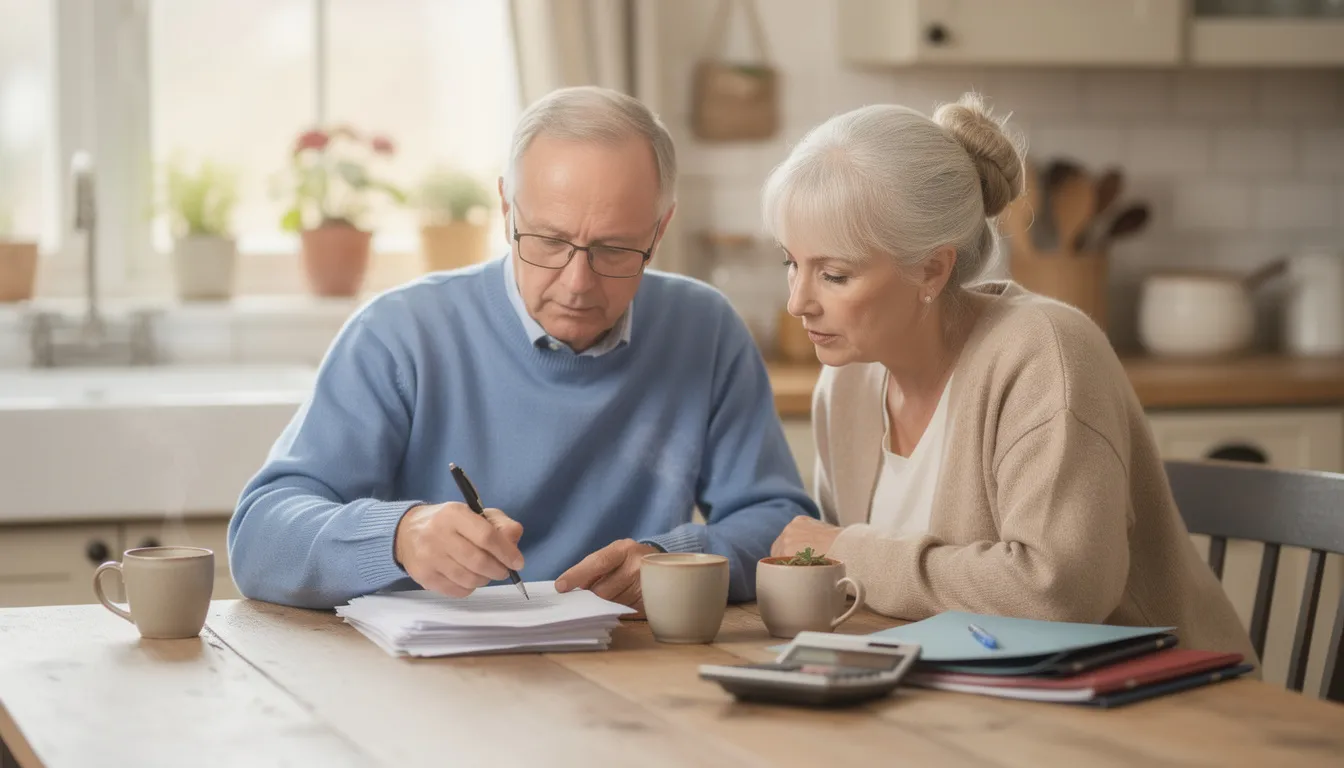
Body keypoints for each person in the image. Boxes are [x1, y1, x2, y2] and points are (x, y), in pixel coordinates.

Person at [229, 85, 817, 610]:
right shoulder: (399, 333)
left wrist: (674, 558)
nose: (577, 283)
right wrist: (398, 537)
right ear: (507, 208)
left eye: (614, 249)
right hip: (431, 685)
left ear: (660, 230)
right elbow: (259, 538)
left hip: (632, 674)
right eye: (549, 241)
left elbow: (785, 530)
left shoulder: (704, 328)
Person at [762, 93, 1255, 659]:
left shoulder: (1045, 353)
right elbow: (859, 591)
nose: (798, 302)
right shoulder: (846, 383)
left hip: (1156, 709)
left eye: (835, 275)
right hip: (959, 699)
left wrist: (851, 551)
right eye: (791, 264)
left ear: (931, 268)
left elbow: (1057, 592)